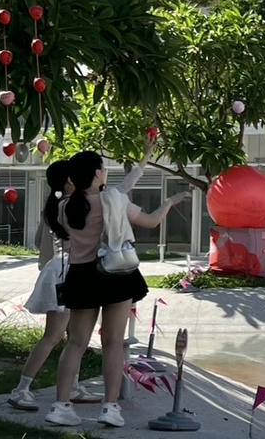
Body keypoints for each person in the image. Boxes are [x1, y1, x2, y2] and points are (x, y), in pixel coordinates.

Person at [46, 151, 189, 428]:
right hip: (116, 273)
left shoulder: (65, 207)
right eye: (103, 168)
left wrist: (143, 161)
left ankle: (60, 406)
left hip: (81, 276)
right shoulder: (115, 201)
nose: (106, 172)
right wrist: (170, 201)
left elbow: (117, 190)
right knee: (113, 343)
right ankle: (109, 408)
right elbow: (151, 221)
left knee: (75, 343)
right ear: (97, 174)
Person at [10, 137, 154, 413]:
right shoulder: (81, 204)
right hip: (70, 272)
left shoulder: (59, 206)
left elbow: (39, 241)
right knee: (60, 337)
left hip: (61, 271)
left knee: (72, 339)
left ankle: (67, 389)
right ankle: (23, 388)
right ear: (70, 181)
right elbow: (124, 189)